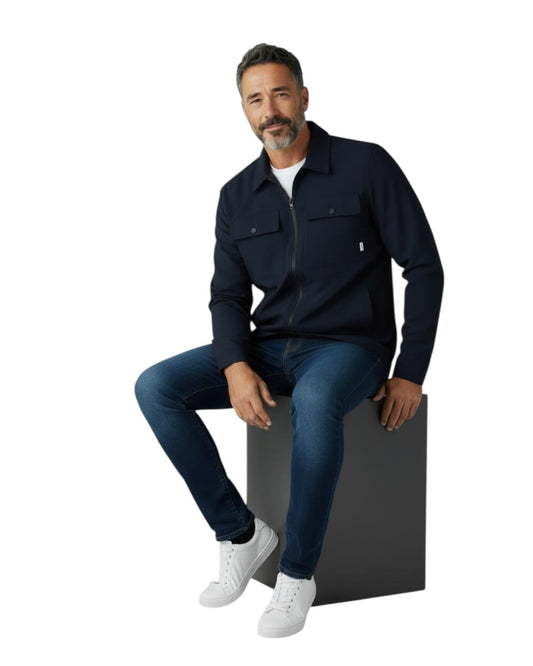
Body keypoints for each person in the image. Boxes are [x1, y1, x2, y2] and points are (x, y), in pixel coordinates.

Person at [134, 43, 444, 638]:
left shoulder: (365, 165)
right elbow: (227, 296)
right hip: (271, 345)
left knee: (317, 399)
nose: (269, 110)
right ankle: (241, 534)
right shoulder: (237, 194)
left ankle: (297, 574)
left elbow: (424, 267)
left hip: (349, 347)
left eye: (280, 94)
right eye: (255, 99)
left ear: (303, 97)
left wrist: (410, 371)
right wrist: (234, 365)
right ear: (244, 110)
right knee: (156, 387)